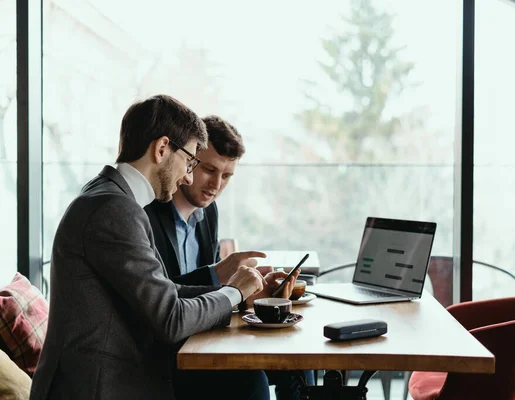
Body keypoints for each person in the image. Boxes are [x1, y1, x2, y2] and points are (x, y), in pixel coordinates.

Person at [30, 95, 295, 400]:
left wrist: (240, 295)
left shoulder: (110, 198)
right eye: (190, 161)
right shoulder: (115, 209)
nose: (188, 175)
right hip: (101, 388)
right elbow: (171, 318)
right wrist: (232, 292)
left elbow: (166, 292)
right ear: (161, 149)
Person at [145, 115, 312, 400]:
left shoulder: (208, 213)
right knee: (249, 381)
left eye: (227, 176)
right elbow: (159, 297)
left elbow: (210, 295)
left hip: (206, 338)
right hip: (167, 353)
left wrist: (253, 293)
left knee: (298, 361)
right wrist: (220, 276)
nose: (216, 184)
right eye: (209, 170)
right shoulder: (148, 213)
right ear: (189, 161)